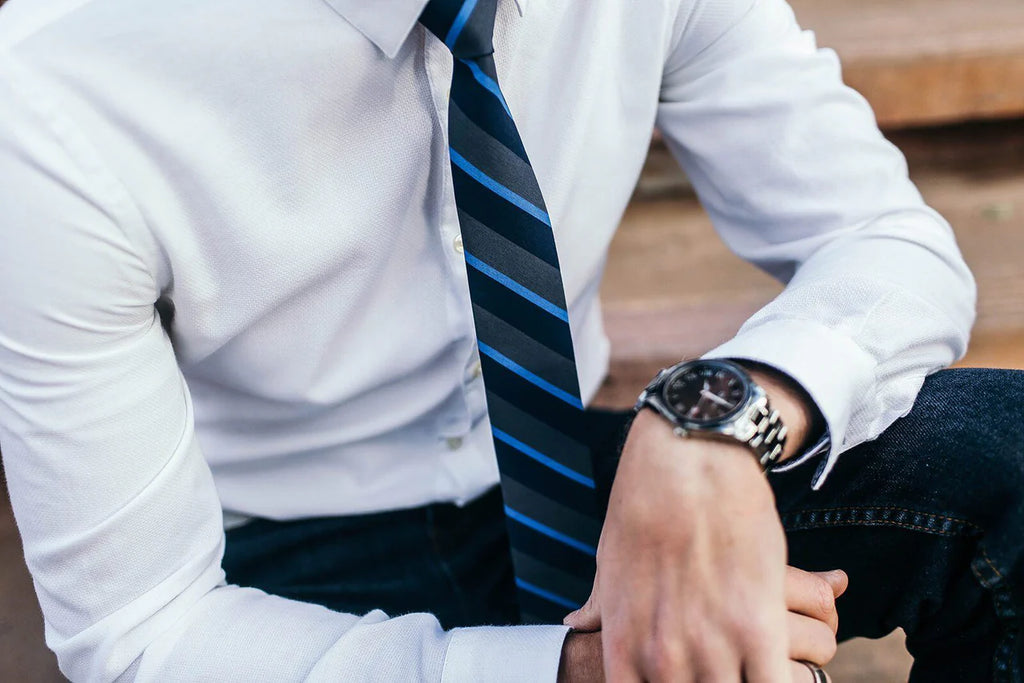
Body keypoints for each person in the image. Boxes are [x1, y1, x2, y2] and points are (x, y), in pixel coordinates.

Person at [0, 0, 1021, 680]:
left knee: (1003, 452)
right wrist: (577, 668)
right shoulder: (56, 85)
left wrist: (716, 417)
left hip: (578, 475)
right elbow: (144, 631)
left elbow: (884, 239)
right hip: (279, 560)